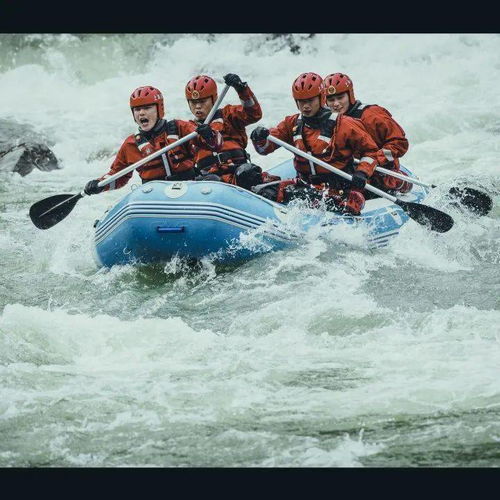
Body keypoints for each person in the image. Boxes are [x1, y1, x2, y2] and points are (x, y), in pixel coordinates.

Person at [250, 72, 380, 215]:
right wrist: (259, 138)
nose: (305, 106)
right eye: (301, 101)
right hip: (305, 185)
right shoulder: (291, 123)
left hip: (338, 189)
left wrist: (362, 172)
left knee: (319, 200)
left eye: (310, 100)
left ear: (321, 97)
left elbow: (371, 152)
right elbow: (264, 149)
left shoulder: (345, 124)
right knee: (263, 192)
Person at [84, 86, 221, 195]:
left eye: (147, 108)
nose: (141, 113)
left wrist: (209, 135)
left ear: (159, 109)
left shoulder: (180, 127)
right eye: (137, 109)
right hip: (154, 195)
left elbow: (215, 145)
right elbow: (117, 176)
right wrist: (99, 184)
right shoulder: (130, 144)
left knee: (213, 180)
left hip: (187, 188)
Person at [185, 73, 279, 190]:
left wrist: (241, 89)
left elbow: (254, 114)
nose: (198, 106)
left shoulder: (228, 114)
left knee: (248, 173)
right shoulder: (188, 129)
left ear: (214, 99)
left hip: (239, 173)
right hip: (210, 180)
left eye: (203, 101)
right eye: (194, 102)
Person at [322, 72, 412, 193]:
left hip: (378, 169)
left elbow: (400, 143)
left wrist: (373, 162)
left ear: (350, 95)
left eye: (340, 98)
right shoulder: (326, 121)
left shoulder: (372, 115)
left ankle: (397, 181)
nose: (336, 104)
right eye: (331, 100)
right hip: (350, 169)